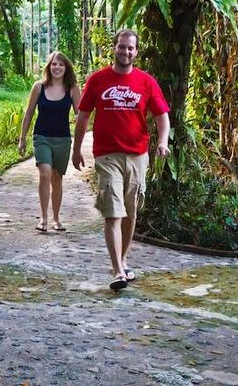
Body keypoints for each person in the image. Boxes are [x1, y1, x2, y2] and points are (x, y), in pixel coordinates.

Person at [72, 29, 170, 291]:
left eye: (131, 48)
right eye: (122, 47)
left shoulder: (146, 82)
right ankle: (117, 270)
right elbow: (83, 116)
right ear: (114, 48)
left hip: (138, 156)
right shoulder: (98, 80)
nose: (126, 52)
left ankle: (124, 260)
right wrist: (76, 148)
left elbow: (162, 116)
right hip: (107, 155)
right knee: (113, 213)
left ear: (136, 52)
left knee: (130, 213)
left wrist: (163, 141)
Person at [18, 51, 81, 232]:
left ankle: (56, 219)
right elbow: (29, 112)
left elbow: (80, 113)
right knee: (45, 173)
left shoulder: (72, 88)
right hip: (42, 137)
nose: (57, 67)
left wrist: (79, 124)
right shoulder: (39, 87)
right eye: (54, 64)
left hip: (62, 139)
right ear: (49, 66)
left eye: (61, 65)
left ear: (66, 68)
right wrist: (22, 139)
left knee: (57, 178)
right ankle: (43, 218)